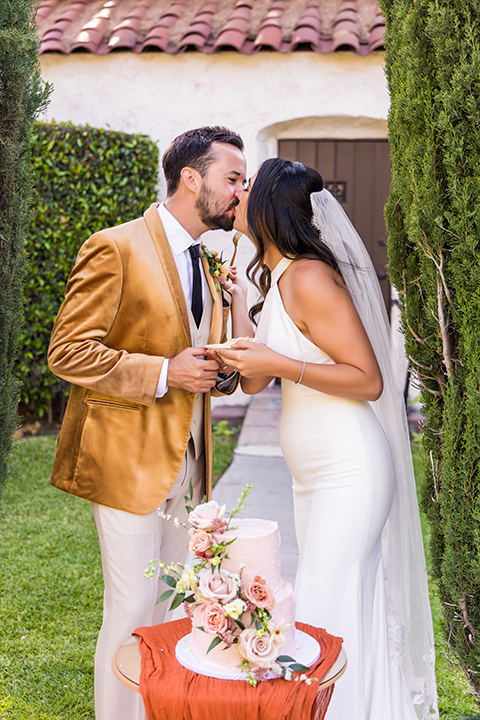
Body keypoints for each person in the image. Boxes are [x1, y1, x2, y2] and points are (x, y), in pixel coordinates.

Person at [212, 158, 438, 719]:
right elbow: (256, 375)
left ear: (267, 205)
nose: (235, 197)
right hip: (314, 475)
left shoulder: (310, 275)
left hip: (350, 469)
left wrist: (283, 362)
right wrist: (235, 290)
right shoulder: (280, 275)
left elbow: (369, 379)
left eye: (246, 189)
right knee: (334, 609)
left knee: (325, 607)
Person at [47, 126, 246, 720]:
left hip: (189, 461)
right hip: (126, 456)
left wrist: (223, 369)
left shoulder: (211, 258)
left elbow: (202, 354)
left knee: (175, 606)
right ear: (193, 178)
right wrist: (164, 372)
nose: (240, 192)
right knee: (133, 605)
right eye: (232, 179)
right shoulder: (115, 246)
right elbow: (68, 352)